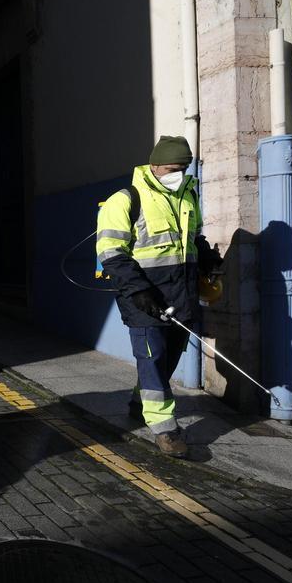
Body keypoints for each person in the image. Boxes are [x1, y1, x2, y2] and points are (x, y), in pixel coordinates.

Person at [96, 136, 222, 458]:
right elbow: (112, 254)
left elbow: (193, 237)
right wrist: (139, 291)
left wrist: (206, 256)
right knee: (152, 359)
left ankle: (141, 402)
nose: (178, 174)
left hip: (181, 295)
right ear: (154, 166)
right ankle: (165, 430)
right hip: (144, 298)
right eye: (172, 168)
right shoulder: (125, 200)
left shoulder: (188, 196)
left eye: (183, 168)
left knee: (167, 359)